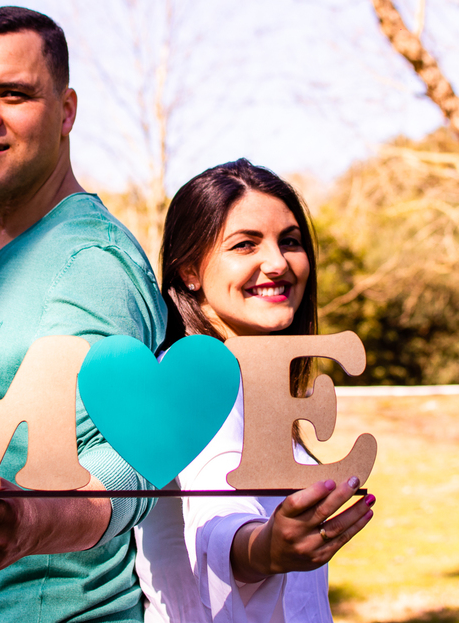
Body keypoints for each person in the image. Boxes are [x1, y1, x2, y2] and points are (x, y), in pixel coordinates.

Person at [0, 6, 166, 623]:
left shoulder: (88, 264)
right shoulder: (13, 257)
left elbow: (134, 454)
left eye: (13, 94)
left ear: (66, 111)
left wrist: (32, 523)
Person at [134, 159, 377, 623]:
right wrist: (264, 549)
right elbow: (215, 509)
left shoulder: (254, 378)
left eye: (290, 241)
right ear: (189, 270)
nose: (278, 262)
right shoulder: (192, 379)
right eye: (245, 244)